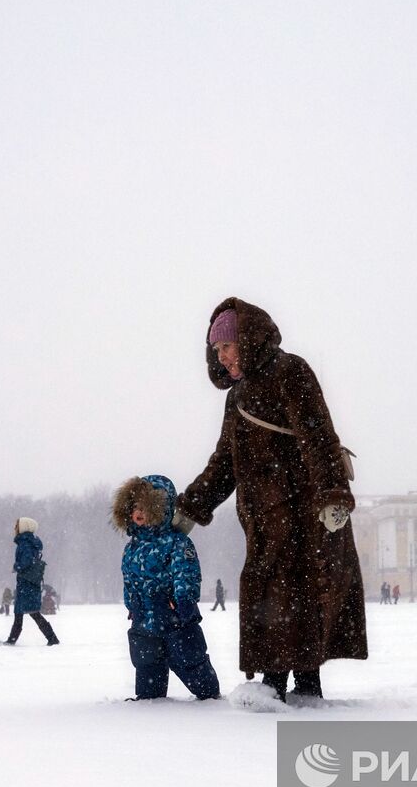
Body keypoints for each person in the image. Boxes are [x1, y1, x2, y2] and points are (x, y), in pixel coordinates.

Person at [175, 298, 367, 702]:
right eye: (216, 350)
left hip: (306, 511)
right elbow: (225, 462)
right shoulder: (238, 395)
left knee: (296, 592)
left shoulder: (290, 371)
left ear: (247, 338)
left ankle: (298, 687)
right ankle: (277, 685)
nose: (222, 356)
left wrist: (333, 495)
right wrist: (191, 506)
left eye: (227, 345)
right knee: (275, 595)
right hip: (263, 518)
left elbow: (319, 435)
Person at [113, 475, 220, 700]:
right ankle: (150, 701)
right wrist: (131, 604)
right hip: (143, 618)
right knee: (147, 664)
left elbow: (185, 573)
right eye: (135, 507)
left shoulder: (176, 542)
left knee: (189, 660)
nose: (138, 512)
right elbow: (129, 579)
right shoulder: (132, 547)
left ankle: (210, 698)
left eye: (145, 507)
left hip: (174, 615)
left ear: (160, 510)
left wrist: (184, 600)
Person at [0, 517, 60, 646]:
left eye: (17, 525)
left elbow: (26, 562)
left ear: (23, 527)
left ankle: (52, 638)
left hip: (26, 584)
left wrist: (16, 567)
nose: (14, 528)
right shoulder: (30, 542)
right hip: (29, 583)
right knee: (24, 612)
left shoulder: (25, 543)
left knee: (30, 612)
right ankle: (13, 639)